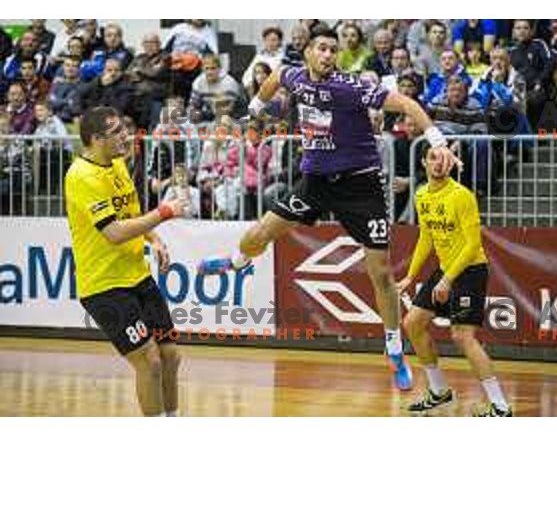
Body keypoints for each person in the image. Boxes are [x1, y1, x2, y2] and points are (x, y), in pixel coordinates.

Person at [197, 25, 459, 391]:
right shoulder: (293, 74)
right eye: (321, 48)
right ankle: (235, 264)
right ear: (307, 52)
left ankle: (394, 349)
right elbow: (274, 78)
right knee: (257, 235)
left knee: (381, 274)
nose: (327, 55)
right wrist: (255, 107)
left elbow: (407, 104)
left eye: (332, 50)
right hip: (316, 183)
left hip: (360, 186)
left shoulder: (351, 87)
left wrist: (438, 141)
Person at [64, 106, 186, 417]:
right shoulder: (81, 176)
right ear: (95, 139)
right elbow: (115, 232)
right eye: (116, 131)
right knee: (149, 360)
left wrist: (154, 239)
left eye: (124, 129)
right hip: (104, 286)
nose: (125, 136)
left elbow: (130, 215)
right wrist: (164, 213)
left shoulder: (117, 163)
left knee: (171, 355)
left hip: (137, 277)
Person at [397, 144, 512, 417]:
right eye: (433, 158)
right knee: (413, 323)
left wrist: (447, 280)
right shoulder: (422, 194)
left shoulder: (462, 196)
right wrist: (410, 276)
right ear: (424, 162)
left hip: (470, 270)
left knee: (462, 336)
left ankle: (500, 406)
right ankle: (439, 391)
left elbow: (473, 244)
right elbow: (426, 237)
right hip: (445, 269)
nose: (438, 163)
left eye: (443, 158)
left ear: (450, 163)